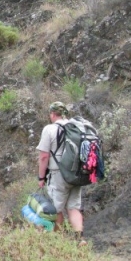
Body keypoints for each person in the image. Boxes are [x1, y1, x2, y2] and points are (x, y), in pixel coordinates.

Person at [37, 101, 86, 243]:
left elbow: (44, 157)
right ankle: (80, 239)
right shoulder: (76, 127)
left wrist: (41, 177)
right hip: (76, 174)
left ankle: (58, 240)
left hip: (58, 174)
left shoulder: (49, 129)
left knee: (56, 208)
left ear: (52, 114)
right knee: (74, 207)